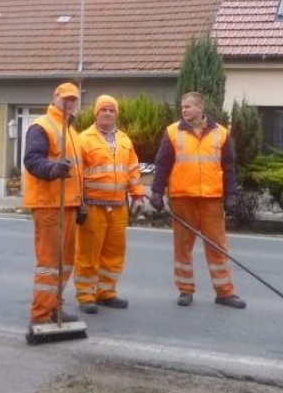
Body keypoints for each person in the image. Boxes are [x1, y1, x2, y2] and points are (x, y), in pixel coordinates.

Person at [149, 91, 246, 309]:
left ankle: (225, 292)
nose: (184, 110)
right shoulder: (173, 132)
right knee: (183, 247)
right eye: (183, 107)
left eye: (189, 106)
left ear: (200, 108)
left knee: (218, 247)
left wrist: (231, 195)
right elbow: (162, 164)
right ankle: (185, 290)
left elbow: (229, 168)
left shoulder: (221, 133)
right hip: (183, 198)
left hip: (211, 199)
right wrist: (156, 192)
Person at [74, 94, 145, 314]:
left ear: (116, 114)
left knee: (114, 254)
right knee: (88, 254)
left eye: (111, 110)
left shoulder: (124, 140)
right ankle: (86, 295)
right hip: (92, 206)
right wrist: (78, 204)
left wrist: (138, 195)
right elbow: (75, 175)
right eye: (103, 109)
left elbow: (132, 170)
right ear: (96, 113)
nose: (107, 113)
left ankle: (106, 293)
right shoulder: (83, 139)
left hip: (118, 207)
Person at [23, 82, 83, 325]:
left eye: (73, 100)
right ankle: (40, 315)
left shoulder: (72, 132)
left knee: (65, 262)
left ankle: (55, 308)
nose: (69, 103)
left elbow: (78, 173)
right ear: (55, 99)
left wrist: (82, 203)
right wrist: (52, 169)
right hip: (49, 204)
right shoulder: (42, 126)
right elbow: (32, 160)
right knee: (49, 263)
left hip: (68, 204)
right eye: (65, 99)